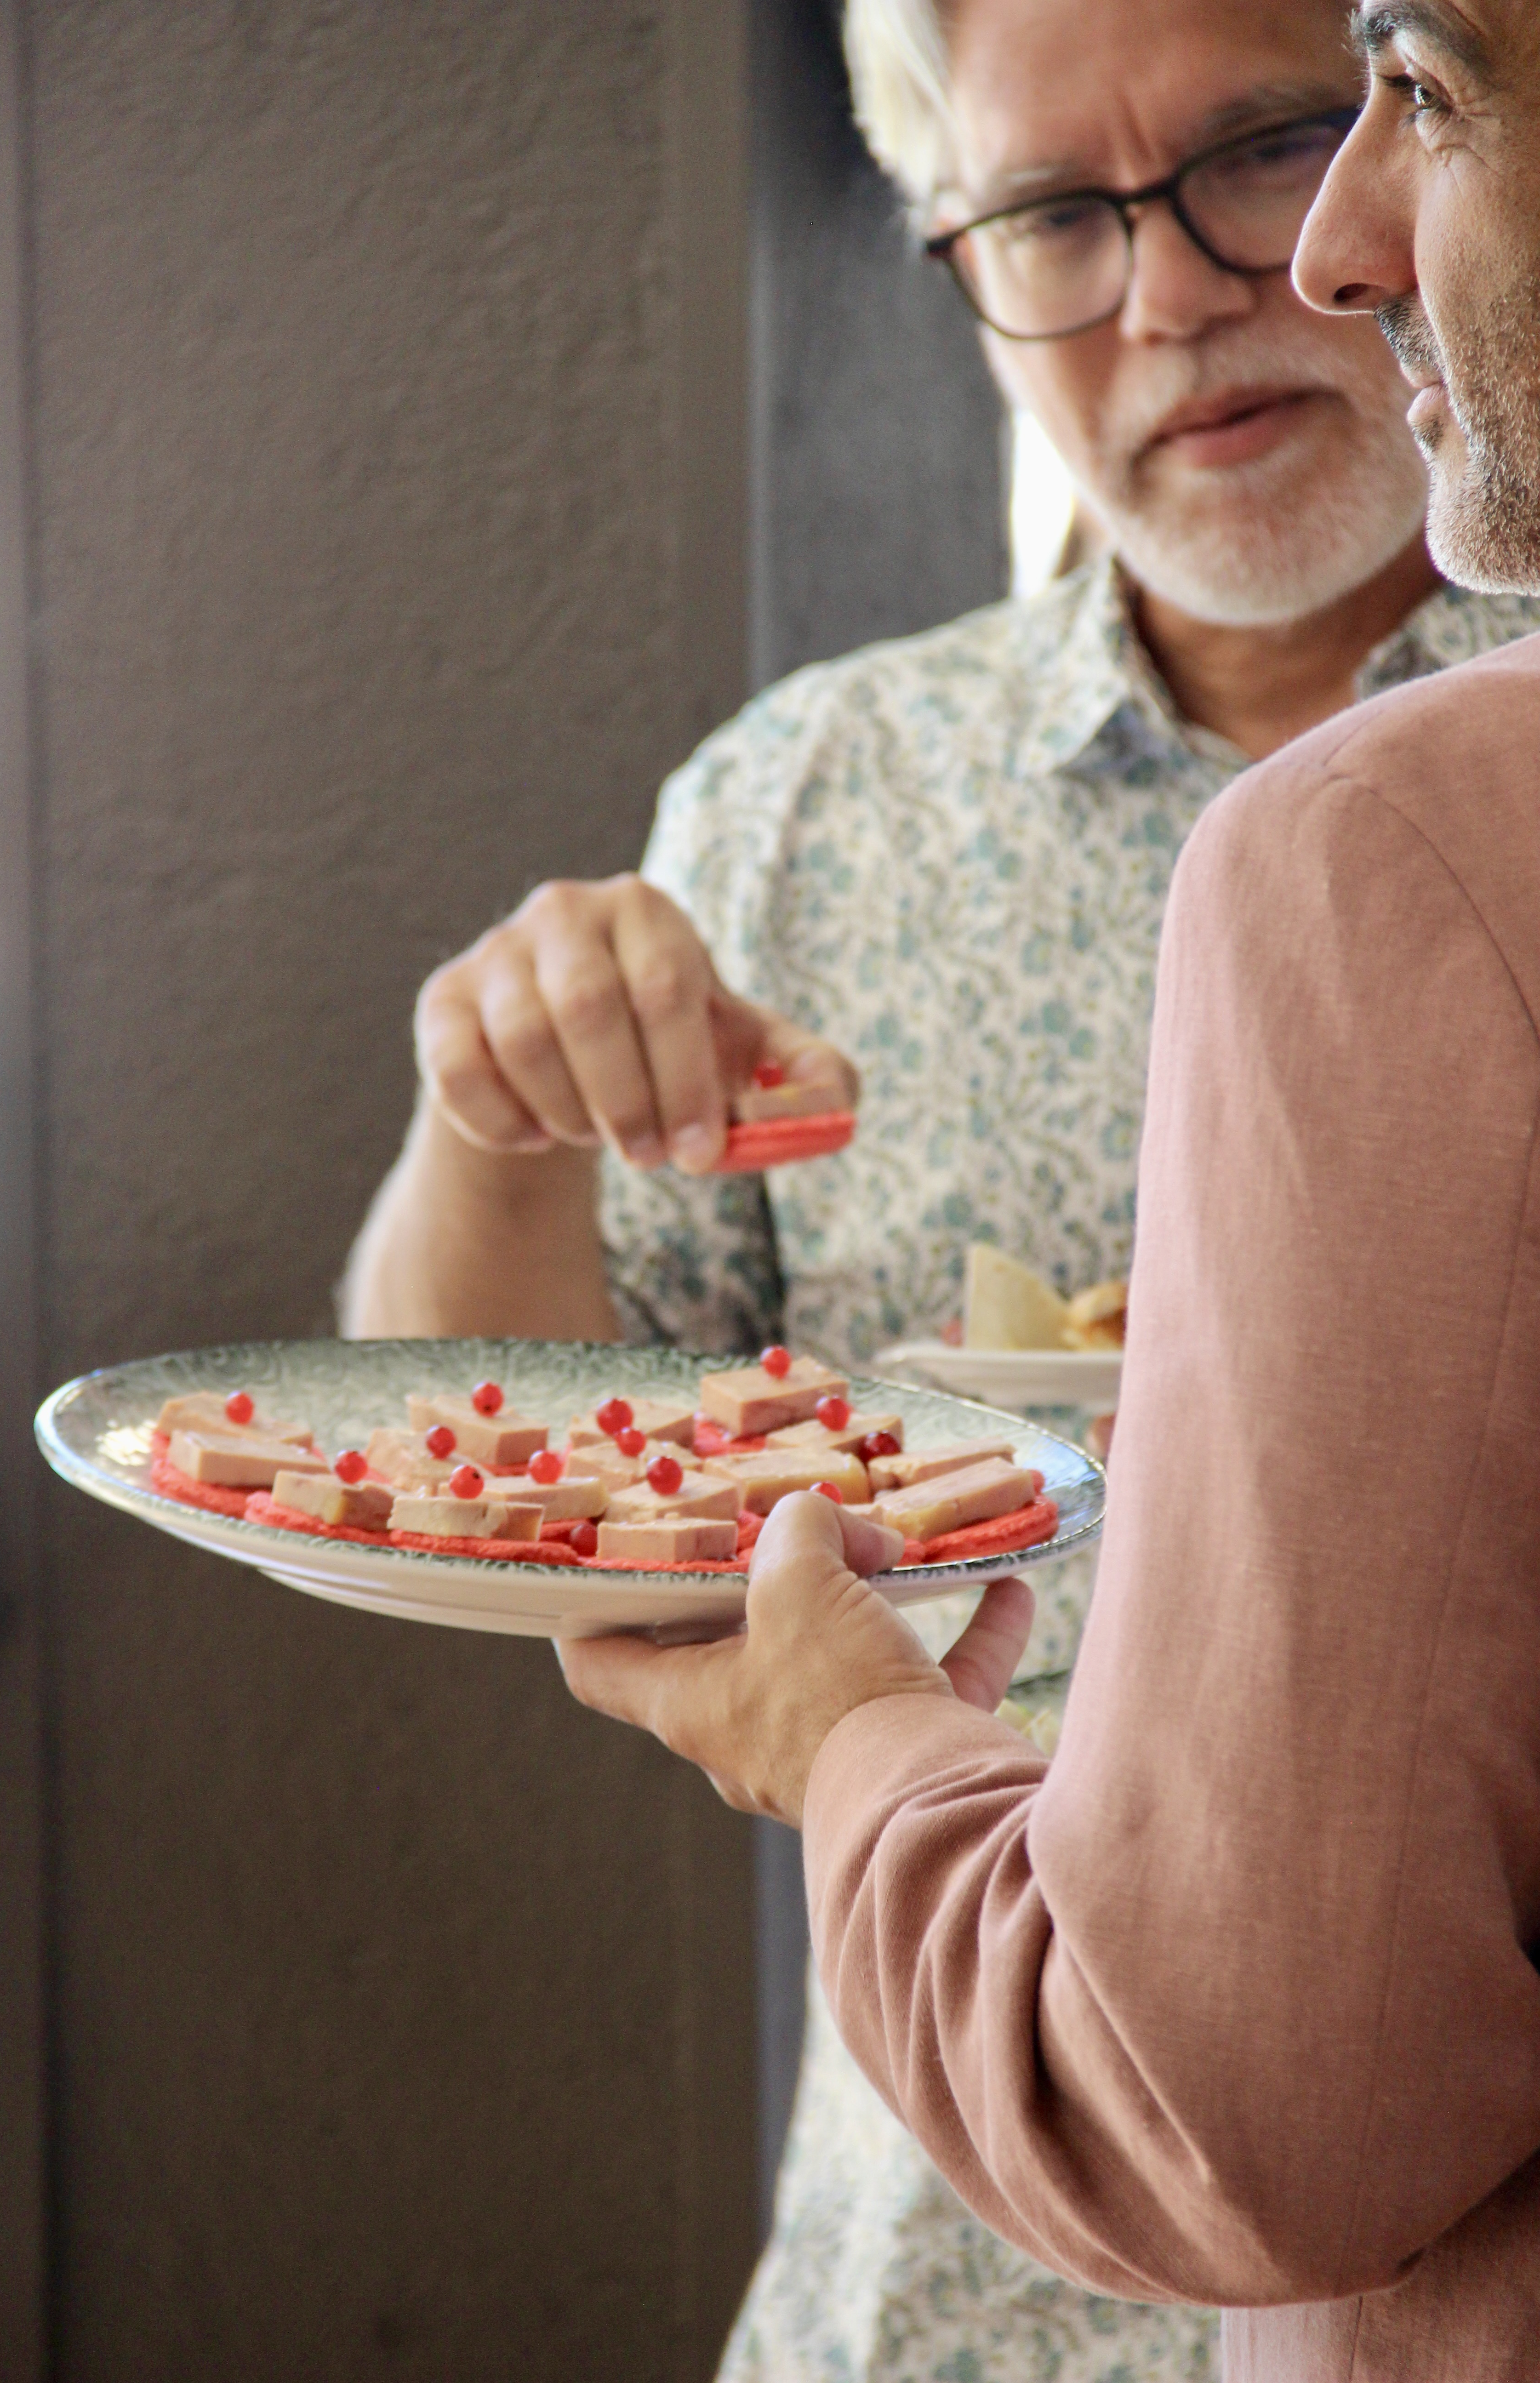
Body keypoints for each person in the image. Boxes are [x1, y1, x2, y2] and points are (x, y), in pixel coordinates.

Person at [344, 0, 1540, 2374]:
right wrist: (493, 1122)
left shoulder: (1477, 817)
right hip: (937, 2278)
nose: (1178, 288)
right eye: (1047, 220)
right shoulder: (814, 808)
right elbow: (470, 1471)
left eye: (1271, 143)